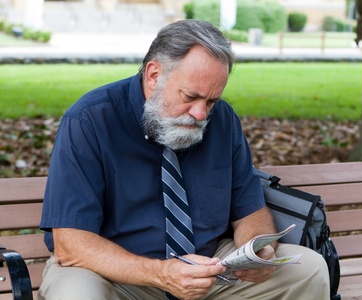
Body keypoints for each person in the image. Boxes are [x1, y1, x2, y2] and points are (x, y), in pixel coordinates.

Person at [39, 19, 329, 300]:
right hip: (116, 274)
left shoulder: (223, 120)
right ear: (154, 75)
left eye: (211, 101)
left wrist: (257, 250)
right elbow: (70, 243)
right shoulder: (89, 121)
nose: (201, 113)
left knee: (309, 268)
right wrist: (161, 273)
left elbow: (249, 211)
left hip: (210, 270)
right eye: (191, 96)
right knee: (75, 294)